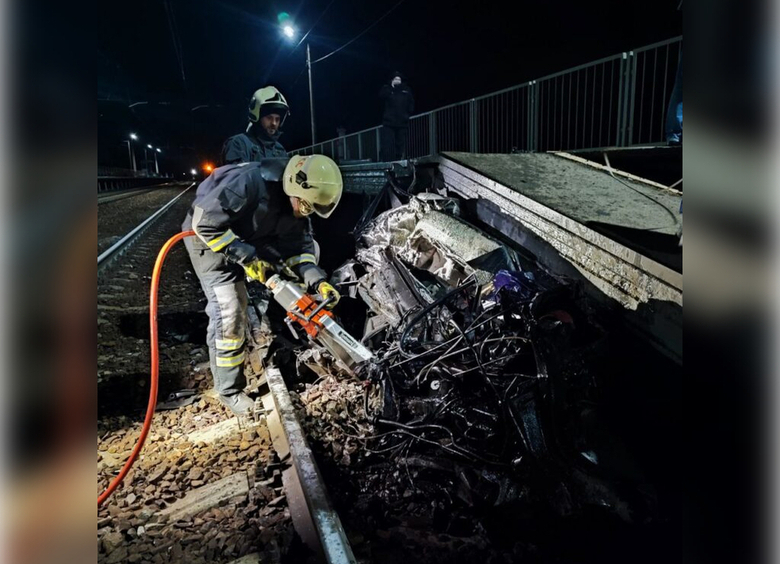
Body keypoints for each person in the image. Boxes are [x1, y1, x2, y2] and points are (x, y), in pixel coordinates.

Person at [182, 155, 344, 415]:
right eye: (305, 206)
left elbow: (300, 250)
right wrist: (247, 259)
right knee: (230, 309)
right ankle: (230, 390)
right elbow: (205, 224)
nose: (304, 212)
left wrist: (318, 282)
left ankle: (289, 324)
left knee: (312, 250)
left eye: (311, 209)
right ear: (293, 186)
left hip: (253, 236)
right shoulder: (248, 182)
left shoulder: (299, 202)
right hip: (209, 239)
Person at [222, 86, 290, 164]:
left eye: (277, 119)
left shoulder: (280, 150)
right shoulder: (239, 144)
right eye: (269, 118)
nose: (274, 123)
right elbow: (237, 171)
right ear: (257, 117)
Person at [379, 71, 414, 161]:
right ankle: (385, 160)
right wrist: (392, 87)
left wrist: (408, 114)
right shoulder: (387, 88)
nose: (397, 81)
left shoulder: (406, 90)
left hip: (402, 122)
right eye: (395, 79)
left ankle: (398, 160)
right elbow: (381, 96)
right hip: (389, 122)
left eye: (399, 79)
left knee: (400, 143)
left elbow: (411, 102)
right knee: (387, 143)